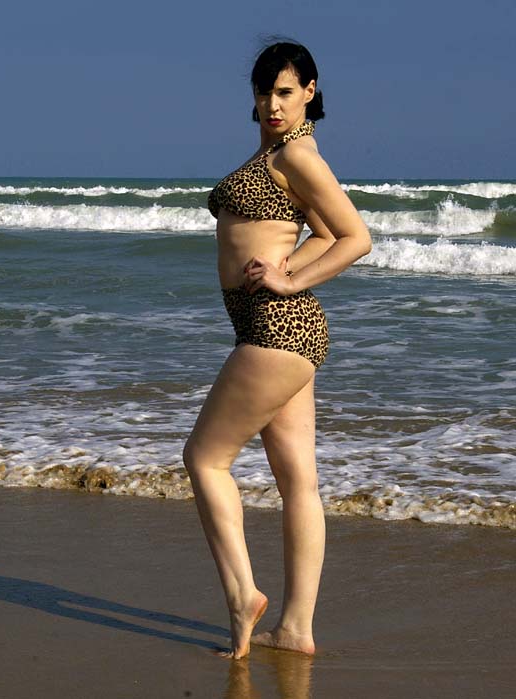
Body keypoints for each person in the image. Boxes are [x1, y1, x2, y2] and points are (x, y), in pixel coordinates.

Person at [183, 40, 371, 658]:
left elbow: (354, 237)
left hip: (277, 328)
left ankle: (243, 595)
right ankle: (296, 629)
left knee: (204, 459)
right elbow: (319, 232)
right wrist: (288, 264)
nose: (272, 104)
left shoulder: (296, 154)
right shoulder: (275, 153)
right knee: (298, 484)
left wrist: (288, 280)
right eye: (264, 92)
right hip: (274, 330)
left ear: (310, 92)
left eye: (286, 92)